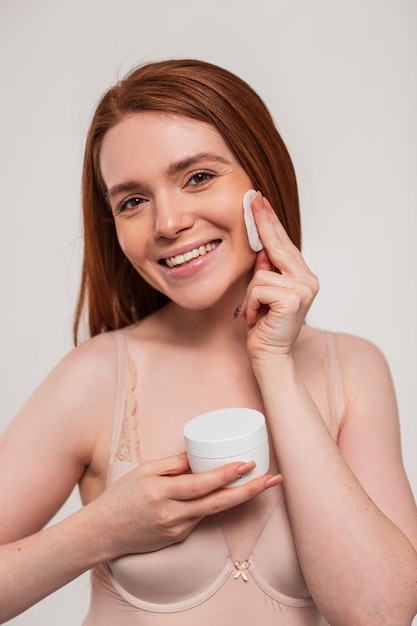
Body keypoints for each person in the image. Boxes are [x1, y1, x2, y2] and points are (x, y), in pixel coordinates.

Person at [0, 58, 416, 626]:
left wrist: (272, 363)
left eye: (197, 176)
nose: (167, 222)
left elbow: (379, 614)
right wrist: (99, 531)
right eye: (132, 201)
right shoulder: (96, 377)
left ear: (261, 181)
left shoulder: (354, 369)